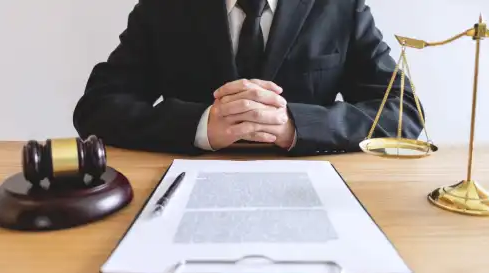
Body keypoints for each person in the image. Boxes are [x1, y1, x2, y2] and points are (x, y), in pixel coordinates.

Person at [73, 0, 424, 156]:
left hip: (315, 191)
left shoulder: (341, 6)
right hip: (181, 190)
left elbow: (404, 111)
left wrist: (299, 125)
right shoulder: (164, 6)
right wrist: (198, 125)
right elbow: (98, 107)